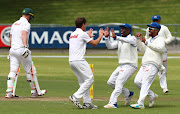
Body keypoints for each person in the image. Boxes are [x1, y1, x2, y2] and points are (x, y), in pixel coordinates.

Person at [6, 8, 47, 98]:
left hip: (13, 50)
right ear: (29, 16)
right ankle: (34, 92)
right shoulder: (26, 24)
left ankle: (9, 92)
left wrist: (11, 48)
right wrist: (25, 47)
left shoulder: (14, 23)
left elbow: (11, 37)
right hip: (21, 49)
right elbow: (24, 33)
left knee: (13, 71)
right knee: (30, 71)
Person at [69, 17, 104, 109]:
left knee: (83, 82)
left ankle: (87, 103)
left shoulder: (73, 34)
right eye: (86, 24)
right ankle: (75, 96)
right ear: (83, 24)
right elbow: (95, 43)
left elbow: (80, 43)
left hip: (71, 61)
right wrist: (100, 36)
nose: (86, 25)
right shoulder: (82, 34)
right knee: (90, 79)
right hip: (79, 60)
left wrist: (87, 36)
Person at [130, 22, 166, 109]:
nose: (149, 30)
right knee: (137, 81)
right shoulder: (149, 40)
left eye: (151, 28)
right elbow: (142, 49)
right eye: (149, 28)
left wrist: (146, 42)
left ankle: (140, 103)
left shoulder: (160, 39)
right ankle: (152, 95)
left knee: (146, 82)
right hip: (145, 63)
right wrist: (139, 40)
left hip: (154, 64)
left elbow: (161, 49)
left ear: (156, 30)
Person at [136, 15, 174, 93]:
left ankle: (164, 87)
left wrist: (163, 43)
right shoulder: (149, 29)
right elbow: (147, 39)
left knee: (163, 69)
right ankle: (147, 87)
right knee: (153, 67)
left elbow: (170, 37)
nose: (155, 21)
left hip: (162, 51)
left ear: (159, 21)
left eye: (157, 20)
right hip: (152, 51)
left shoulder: (164, 28)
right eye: (154, 20)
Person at [103, 24, 138, 108]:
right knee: (111, 82)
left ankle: (113, 103)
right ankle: (128, 93)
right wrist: (107, 38)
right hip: (122, 65)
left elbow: (129, 41)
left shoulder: (133, 38)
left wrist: (117, 37)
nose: (121, 31)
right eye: (121, 29)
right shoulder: (120, 40)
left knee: (119, 82)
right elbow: (110, 46)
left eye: (124, 29)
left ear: (129, 30)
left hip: (130, 65)